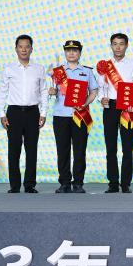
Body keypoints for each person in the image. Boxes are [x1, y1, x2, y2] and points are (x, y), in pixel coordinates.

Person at [0, 34, 48, 193]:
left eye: (27, 46)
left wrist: (44, 112)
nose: (24, 49)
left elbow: (44, 91)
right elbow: (2, 91)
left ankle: (30, 184)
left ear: (31, 49)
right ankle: (14, 185)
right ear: (16, 49)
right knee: (14, 150)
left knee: (32, 150)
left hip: (33, 112)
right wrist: (2, 114)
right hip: (14, 113)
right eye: (21, 46)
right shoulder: (9, 69)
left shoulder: (39, 69)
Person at [94, 33, 133, 194]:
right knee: (110, 147)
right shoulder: (105, 65)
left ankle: (126, 183)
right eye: (115, 44)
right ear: (111, 46)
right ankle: (113, 183)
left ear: (126, 45)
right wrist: (101, 99)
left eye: (121, 44)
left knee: (127, 147)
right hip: (110, 107)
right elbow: (100, 87)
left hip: (128, 108)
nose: (118, 47)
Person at [50, 40, 98, 193]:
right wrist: (51, 92)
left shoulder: (87, 71)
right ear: (65, 52)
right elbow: (50, 90)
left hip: (80, 115)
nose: (71, 53)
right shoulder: (57, 71)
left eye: (75, 50)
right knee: (62, 150)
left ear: (80, 53)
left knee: (79, 150)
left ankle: (78, 183)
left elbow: (94, 91)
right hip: (61, 115)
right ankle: (64, 182)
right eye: (68, 50)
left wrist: (85, 103)